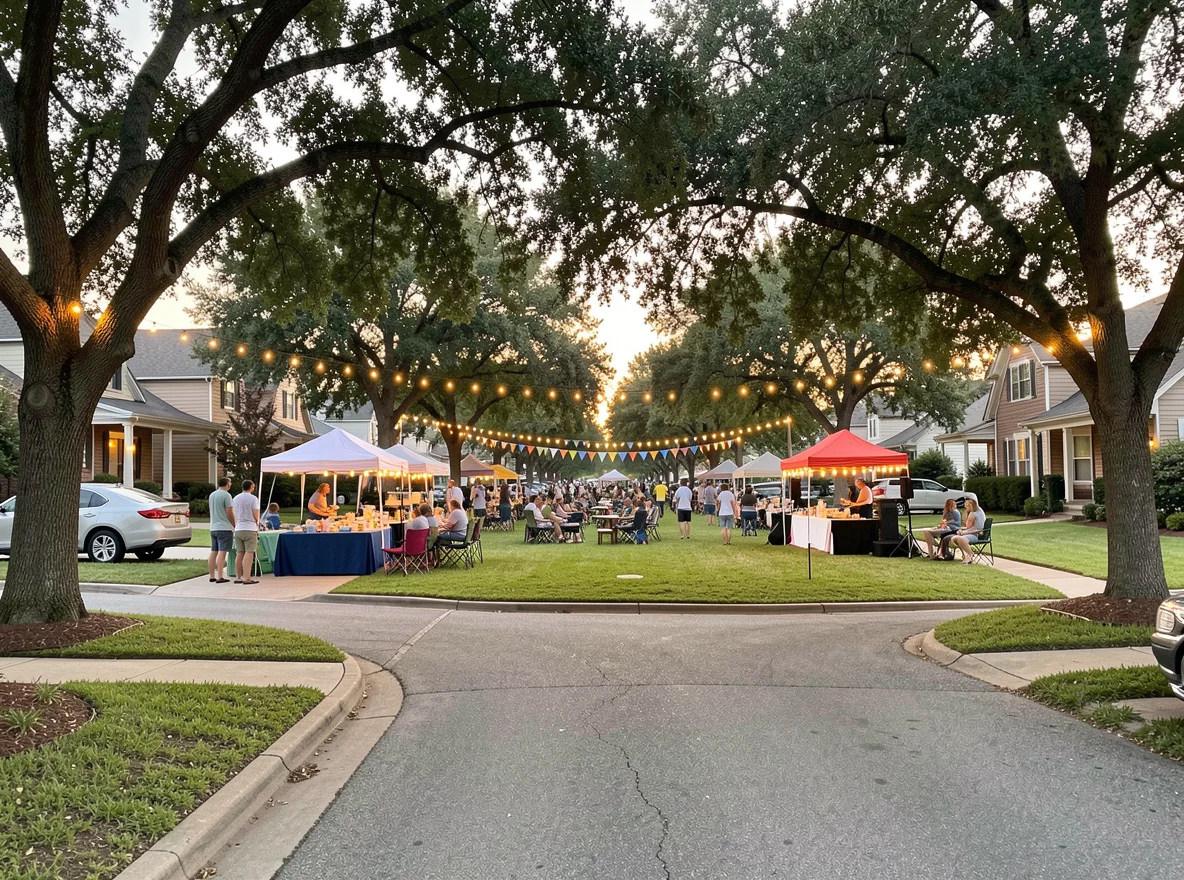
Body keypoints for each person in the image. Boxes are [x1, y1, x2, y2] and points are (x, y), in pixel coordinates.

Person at [232, 480, 260, 585]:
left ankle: (238, 576)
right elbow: (255, 513)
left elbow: (234, 512)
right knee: (249, 552)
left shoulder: (235, 498)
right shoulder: (253, 499)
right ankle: (247, 577)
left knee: (240, 552)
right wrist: (257, 522)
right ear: (251, 487)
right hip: (250, 527)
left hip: (238, 527)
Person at [207, 477, 235, 583]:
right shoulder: (226, 495)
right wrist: (234, 524)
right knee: (222, 553)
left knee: (214, 551)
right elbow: (229, 511)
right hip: (224, 527)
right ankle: (220, 576)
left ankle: (212, 576)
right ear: (227, 484)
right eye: (230, 483)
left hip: (213, 527)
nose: (230, 485)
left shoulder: (212, 495)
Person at [949, 498, 987, 564]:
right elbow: (974, 528)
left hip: (976, 536)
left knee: (960, 539)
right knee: (954, 538)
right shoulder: (980, 511)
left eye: (966, 506)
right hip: (977, 534)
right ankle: (966, 555)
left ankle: (970, 555)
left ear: (970, 506)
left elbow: (969, 527)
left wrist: (963, 532)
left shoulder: (973, 514)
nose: (965, 508)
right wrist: (962, 531)